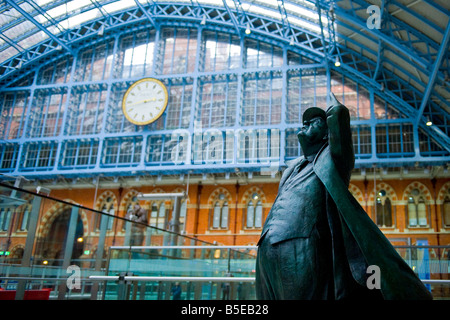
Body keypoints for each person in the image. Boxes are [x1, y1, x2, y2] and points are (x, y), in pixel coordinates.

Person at [255, 93, 432, 300]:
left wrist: (334, 105)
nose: (306, 124)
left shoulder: (333, 159)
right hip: (267, 246)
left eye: (315, 122)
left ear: (326, 134)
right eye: (305, 122)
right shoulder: (291, 168)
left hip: (300, 245)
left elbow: (339, 120)